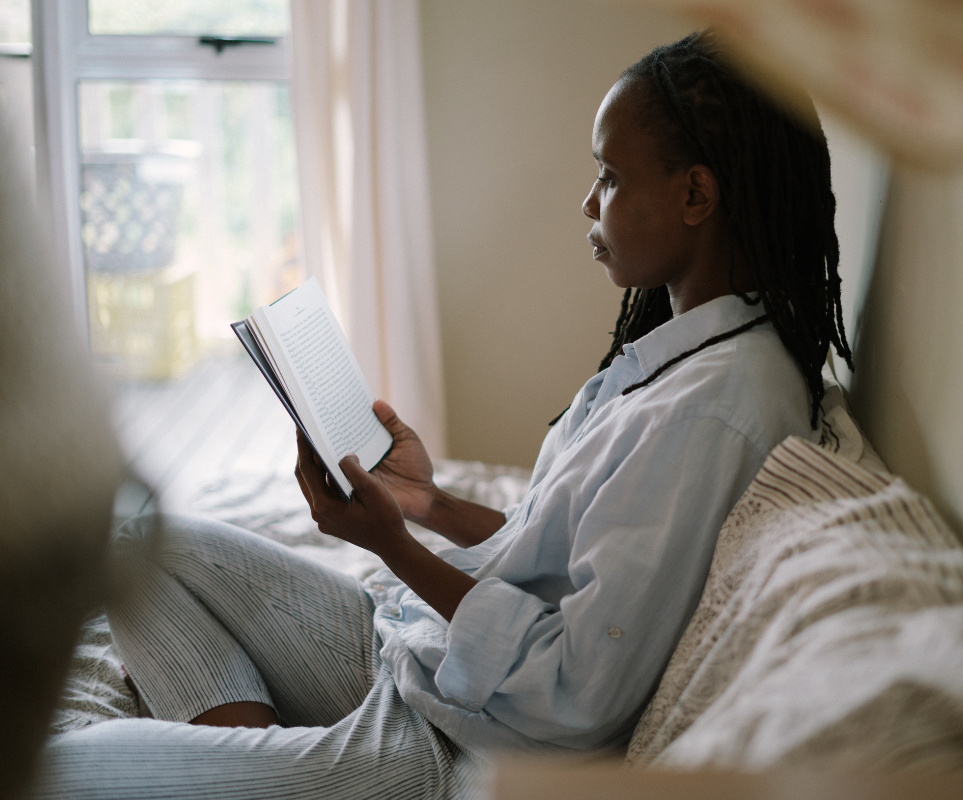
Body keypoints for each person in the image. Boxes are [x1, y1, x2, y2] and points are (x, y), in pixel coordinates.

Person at [32, 31, 852, 800]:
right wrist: (427, 503)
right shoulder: (687, 355)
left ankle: (285, 774)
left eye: (608, 176)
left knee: (50, 768)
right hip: (426, 656)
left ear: (696, 194)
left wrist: (391, 542)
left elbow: (576, 691)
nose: (587, 201)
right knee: (136, 540)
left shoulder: (714, 412)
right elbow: (558, 557)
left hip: (462, 742)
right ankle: (271, 768)